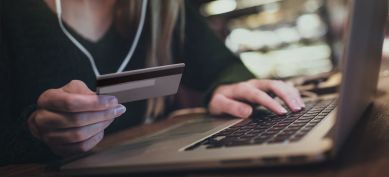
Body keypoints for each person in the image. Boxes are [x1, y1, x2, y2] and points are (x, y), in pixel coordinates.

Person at [0, 0, 305, 165]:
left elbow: (224, 67)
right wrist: (36, 131)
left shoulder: (163, 7)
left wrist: (223, 87)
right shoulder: (11, 14)